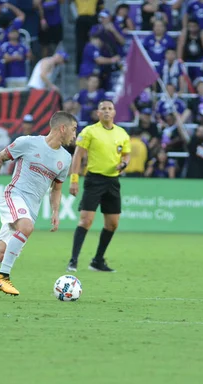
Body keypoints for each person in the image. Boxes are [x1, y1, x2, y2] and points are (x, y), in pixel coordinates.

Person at [0, 111, 77, 300]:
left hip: (31, 209)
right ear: (63, 128)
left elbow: (57, 189)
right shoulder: (27, 142)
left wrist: (56, 212)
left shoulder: (65, 159)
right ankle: (3, 277)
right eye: (74, 130)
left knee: (0, 252)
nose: (75, 135)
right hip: (14, 195)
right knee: (26, 227)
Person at [66, 100, 131, 273]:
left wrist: (124, 164)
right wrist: (74, 180)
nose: (107, 111)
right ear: (98, 113)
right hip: (94, 180)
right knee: (86, 221)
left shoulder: (122, 133)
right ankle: (73, 260)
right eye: (103, 109)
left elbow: (126, 155)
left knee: (112, 224)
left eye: (110, 108)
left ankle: (97, 261)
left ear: (115, 112)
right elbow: (78, 156)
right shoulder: (89, 132)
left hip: (113, 181)